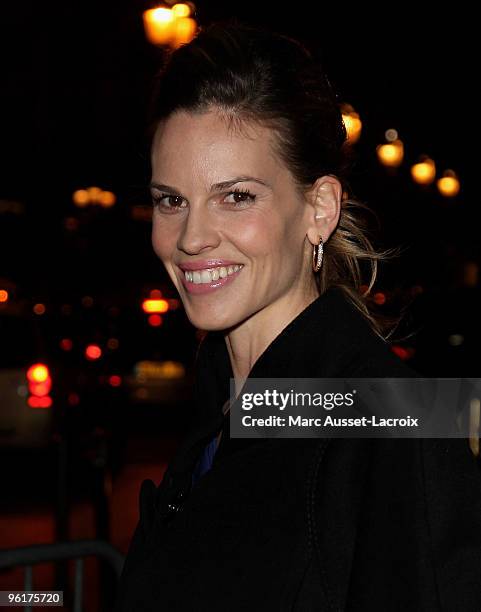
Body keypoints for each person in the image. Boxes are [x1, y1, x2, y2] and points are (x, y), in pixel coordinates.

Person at [115, 19, 481, 611]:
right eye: (171, 200)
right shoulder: (229, 407)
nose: (192, 238)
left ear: (319, 209)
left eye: (237, 196)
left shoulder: (400, 420)